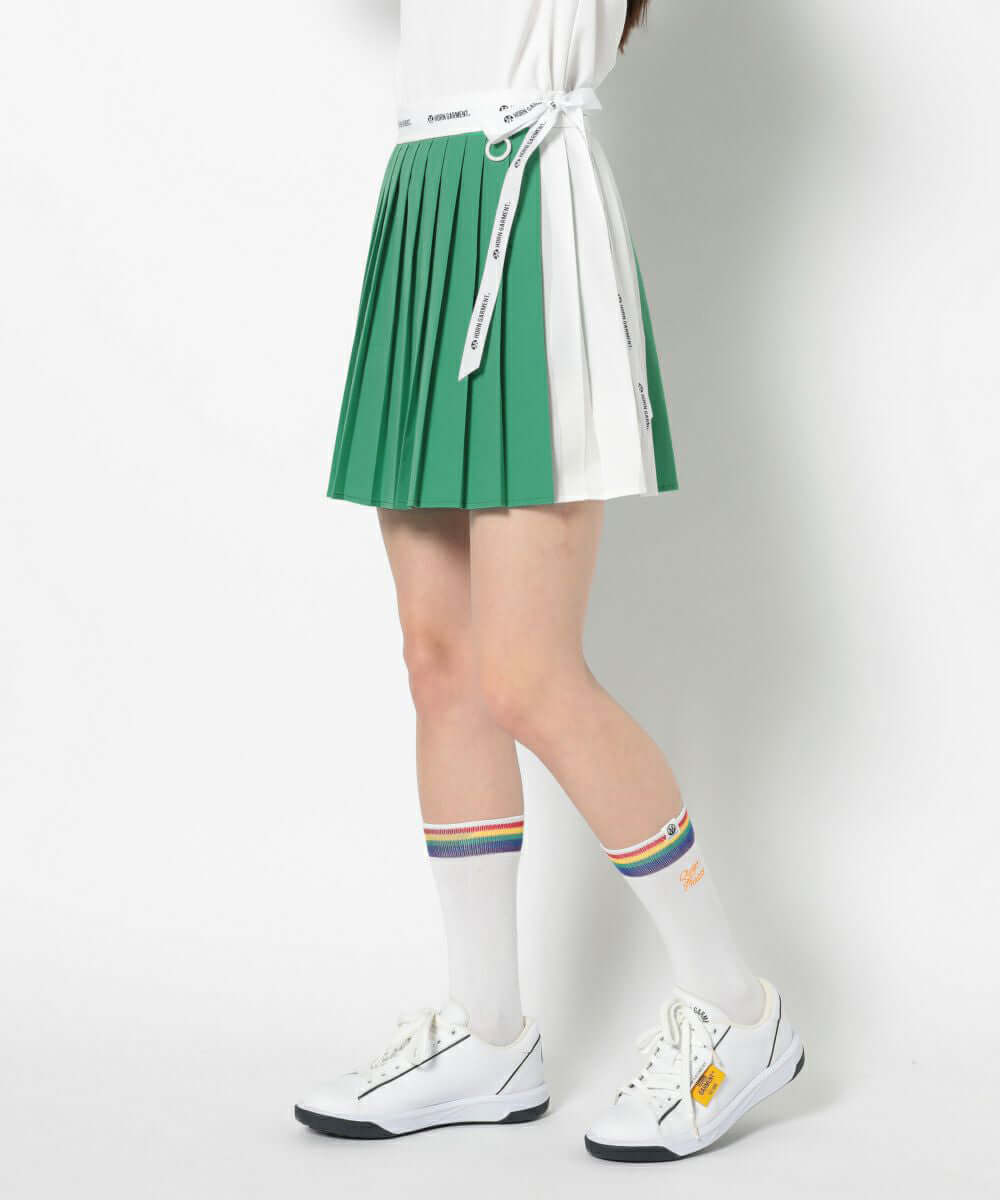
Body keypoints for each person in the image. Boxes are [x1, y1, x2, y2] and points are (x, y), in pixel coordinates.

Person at [295, 0, 803, 1161]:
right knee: (440, 661)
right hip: (424, 199)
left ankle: (737, 1010)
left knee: (527, 674)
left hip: (528, 217)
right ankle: (488, 1038)